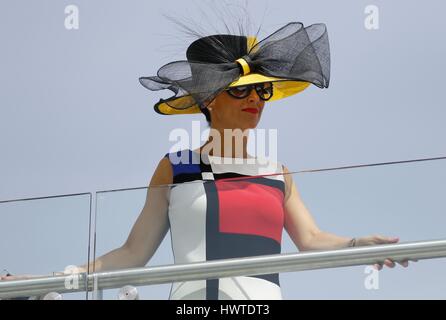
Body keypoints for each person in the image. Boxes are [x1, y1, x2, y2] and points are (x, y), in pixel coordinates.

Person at [1, 21, 414, 300]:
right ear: (209, 98)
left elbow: (312, 240)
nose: (255, 99)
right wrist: (50, 280)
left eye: (262, 90)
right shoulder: (177, 165)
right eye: (241, 90)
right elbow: (133, 252)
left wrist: (359, 245)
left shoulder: (277, 173)